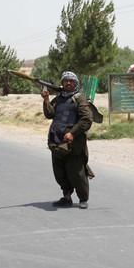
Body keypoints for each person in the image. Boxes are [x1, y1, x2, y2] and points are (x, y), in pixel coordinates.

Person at [41, 71, 94, 209]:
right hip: (56, 140)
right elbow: (50, 114)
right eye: (66, 81)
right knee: (60, 172)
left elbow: (87, 119)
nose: (68, 83)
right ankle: (66, 197)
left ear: (75, 83)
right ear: (62, 82)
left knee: (76, 171)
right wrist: (46, 100)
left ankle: (83, 198)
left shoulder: (79, 98)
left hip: (73, 144)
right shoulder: (59, 98)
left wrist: (72, 133)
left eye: (71, 81)